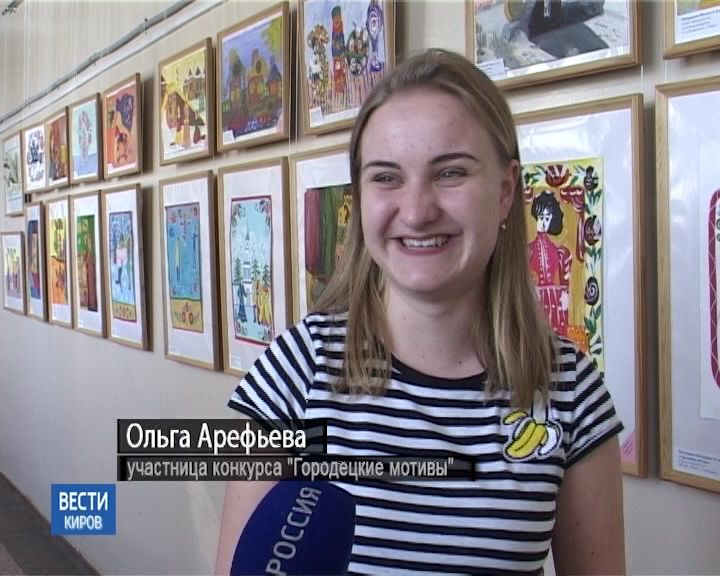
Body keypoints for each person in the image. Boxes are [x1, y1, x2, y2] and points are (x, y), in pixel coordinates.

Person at [215, 48, 624, 575]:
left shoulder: (571, 392)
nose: (416, 211)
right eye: (386, 177)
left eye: (449, 172)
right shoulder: (293, 375)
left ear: (505, 191)